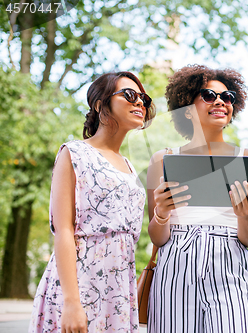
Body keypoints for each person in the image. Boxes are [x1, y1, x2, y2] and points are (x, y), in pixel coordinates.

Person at [30, 72, 155, 333]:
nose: (140, 102)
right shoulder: (74, 153)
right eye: (130, 95)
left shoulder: (129, 166)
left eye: (143, 98)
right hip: (79, 284)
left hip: (119, 291)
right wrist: (71, 302)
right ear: (101, 105)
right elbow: (63, 229)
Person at [146, 64, 248, 332]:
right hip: (175, 264)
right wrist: (162, 214)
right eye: (209, 96)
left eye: (227, 97)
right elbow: (157, 237)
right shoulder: (162, 160)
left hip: (229, 263)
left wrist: (246, 215)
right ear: (187, 108)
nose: (221, 101)